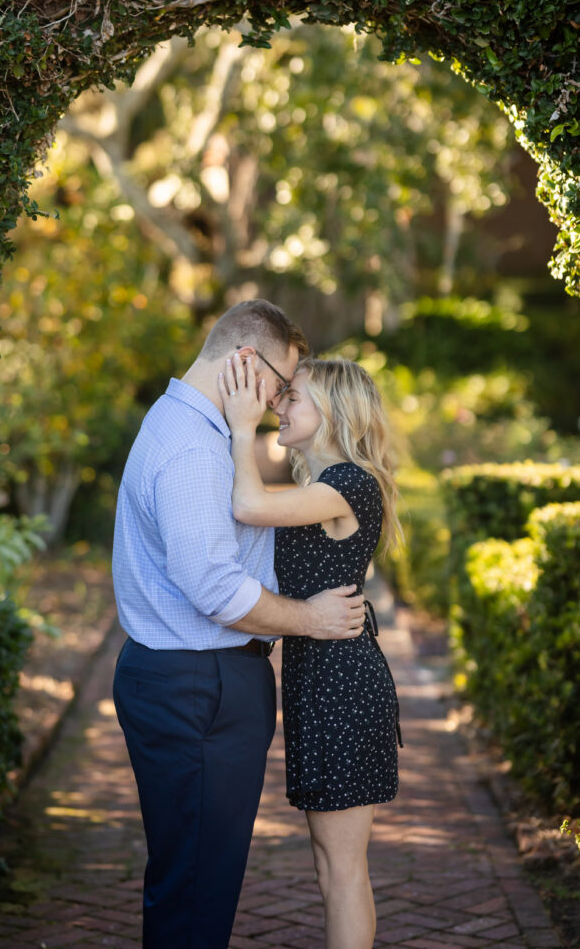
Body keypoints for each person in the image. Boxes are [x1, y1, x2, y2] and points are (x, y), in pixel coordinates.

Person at [111, 300, 368, 949]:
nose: (282, 402)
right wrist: (307, 618)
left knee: (192, 880)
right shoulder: (196, 450)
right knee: (197, 890)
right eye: (282, 386)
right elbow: (215, 590)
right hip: (201, 685)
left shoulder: (183, 424)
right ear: (244, 364)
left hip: (192, 680)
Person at [218, 353, 403, 949]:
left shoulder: (347, 482)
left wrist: (243, 427)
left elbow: (247, 505)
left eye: (293, 396)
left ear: (333, 412)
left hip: (342, 684)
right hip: (319, 677)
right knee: (329, 867)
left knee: (343, 871)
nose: (279, 403)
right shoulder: (318, 486)